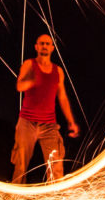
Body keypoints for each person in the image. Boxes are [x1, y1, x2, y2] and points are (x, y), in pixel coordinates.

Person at [11, 32, 79, 184]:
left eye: (47, 44)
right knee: (21, 164)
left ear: (52, 48)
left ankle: (56, 196)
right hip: (27, 123)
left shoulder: (58, 71)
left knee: (56, 165)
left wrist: (71, 121)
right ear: (36, 47)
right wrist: (31, 81)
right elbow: (19, 86)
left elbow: (62, 97)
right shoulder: (29, 64)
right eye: (41, 43)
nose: (44, 46)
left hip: (49, 125)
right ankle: (15, 195)